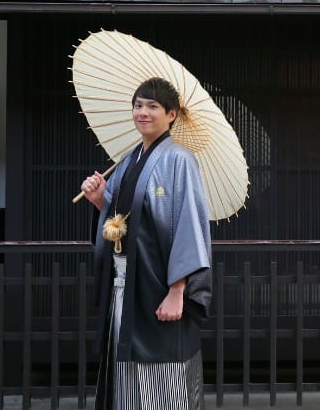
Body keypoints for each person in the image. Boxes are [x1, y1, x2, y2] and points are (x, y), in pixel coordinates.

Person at [80, 77, 212, 410]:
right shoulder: (128, 161)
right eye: (138, 105)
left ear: (171, 114)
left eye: (152, 106)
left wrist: (177, 291)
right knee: (125, 363)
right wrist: (100, 199)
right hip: (125, 283)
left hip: (158, 283)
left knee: (162, 367)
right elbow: (121, 221)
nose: (143, 112)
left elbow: (188, 227)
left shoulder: (180, 160)